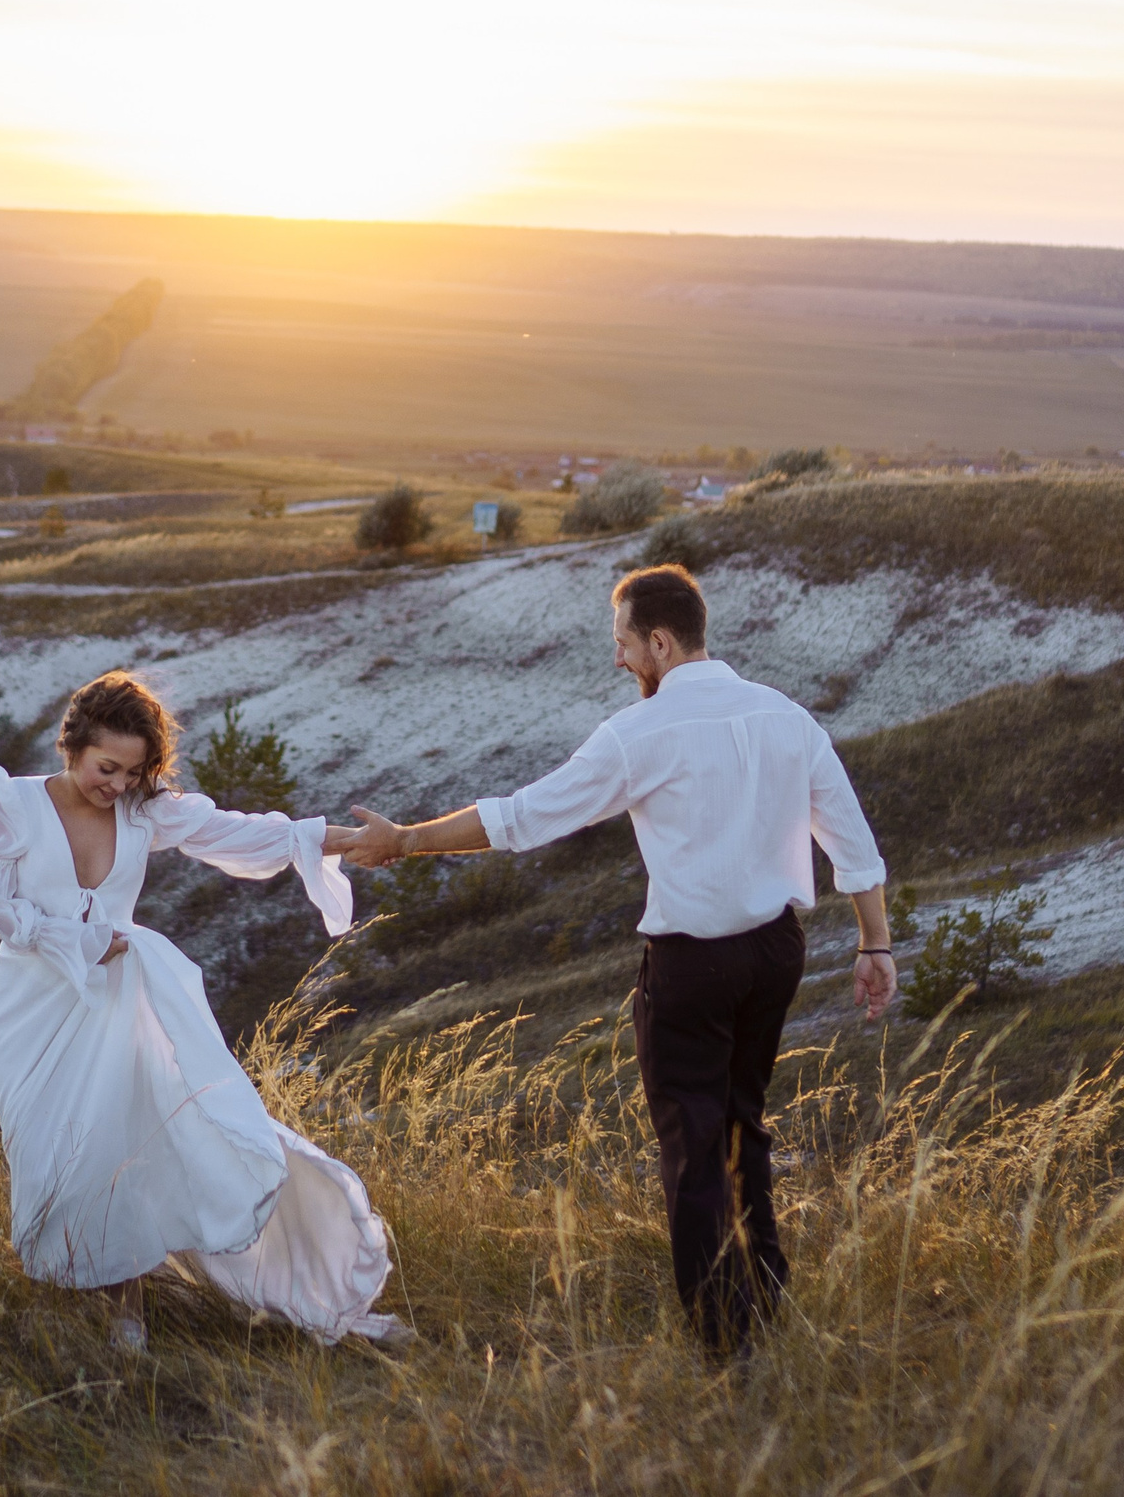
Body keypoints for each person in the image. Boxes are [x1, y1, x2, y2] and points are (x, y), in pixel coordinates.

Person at [340, 564, 895, 1358]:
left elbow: (524, 817)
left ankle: (724, 1342)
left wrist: (409, 839)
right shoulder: (788, 718)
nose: (620, 661)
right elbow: (851, 839)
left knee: (693, 1144)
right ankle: (765, 1304)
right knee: (744, 1123)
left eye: (625, 644)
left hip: (691, 966)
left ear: (660, 642)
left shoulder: (640, 734)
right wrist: (874, 943)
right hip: (777, 954)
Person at [0, 670, 407, 1353]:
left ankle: (126, 1315)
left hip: (117, 1001)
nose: (115, 784)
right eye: (106, 767)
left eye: (131, 772)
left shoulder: (143, 809)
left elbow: (241, 834)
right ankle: (71, 1306)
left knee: (119, 1146)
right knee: (51, 1156)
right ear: (72, 746)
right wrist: (75, 937)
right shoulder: (14, 803)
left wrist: (344, 839)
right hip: (31, 1009)